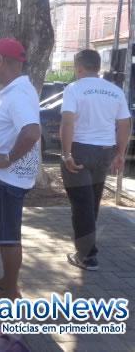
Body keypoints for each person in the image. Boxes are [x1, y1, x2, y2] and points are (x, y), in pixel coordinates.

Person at [0, 38, 41, 300]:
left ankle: (11, 290)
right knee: (5, 234)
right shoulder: (17, 91)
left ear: (1, 60)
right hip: (7, 176)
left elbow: (32, 132)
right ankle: (7, 281)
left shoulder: (17, 94)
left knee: (8, 236)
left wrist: (8, 160)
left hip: (11, 177)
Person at [60, 49, 132, 271]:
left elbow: (68, 122)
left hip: (80, 151)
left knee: (81, 204)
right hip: (104, 152)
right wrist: (120, 153)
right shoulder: (115, 91)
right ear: (97, 67)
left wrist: (66, 154)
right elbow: (124, 125)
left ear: (79, 67)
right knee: (91, 202)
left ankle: (88, 255)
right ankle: (86, 249)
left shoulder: (74, 89)